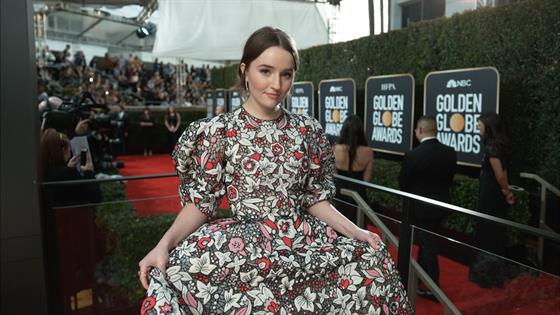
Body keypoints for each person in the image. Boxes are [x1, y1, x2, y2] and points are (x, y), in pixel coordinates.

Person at [138, 26, 411, 314]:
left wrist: (355, 231)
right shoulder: (219, 132)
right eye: (265, 71)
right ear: (245, 71)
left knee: (371, 262)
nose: (276, 84)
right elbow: (202, 204)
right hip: (246, 250)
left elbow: (315, 198)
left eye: (286, 74)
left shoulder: (306, 131)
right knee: (178, 275)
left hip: (302, 243)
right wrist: (163, 245)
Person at [399, 115, 457, 299]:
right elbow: (448, 180)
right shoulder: (450, 152)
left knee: (428, 246)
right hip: (441, 206)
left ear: (420, 131)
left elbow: (403, 184)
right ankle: (421, 279)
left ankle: (432, 288)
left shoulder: (413, 155)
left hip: (419, 209)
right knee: (427, 244)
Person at [469, 112, 515, 288]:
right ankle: (492, 273)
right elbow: (504, 173)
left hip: (491, 196)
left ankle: (488, 275)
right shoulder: (499, 145)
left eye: (479, 125)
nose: (477, 128)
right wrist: (507, 191)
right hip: (496, 195)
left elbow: (499, 175)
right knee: (495, 233)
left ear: (488, 126)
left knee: (488, 233)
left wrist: (505, 190)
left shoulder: (492, 148)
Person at [332, 115, 374, 223]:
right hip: (359, 194)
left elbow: (332, 173)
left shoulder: (336, 149)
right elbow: (367, 179)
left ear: (343, 130)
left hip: (340, 192)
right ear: (361, 132)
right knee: (358, 224)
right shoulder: (368, 151)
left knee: (340, 224)